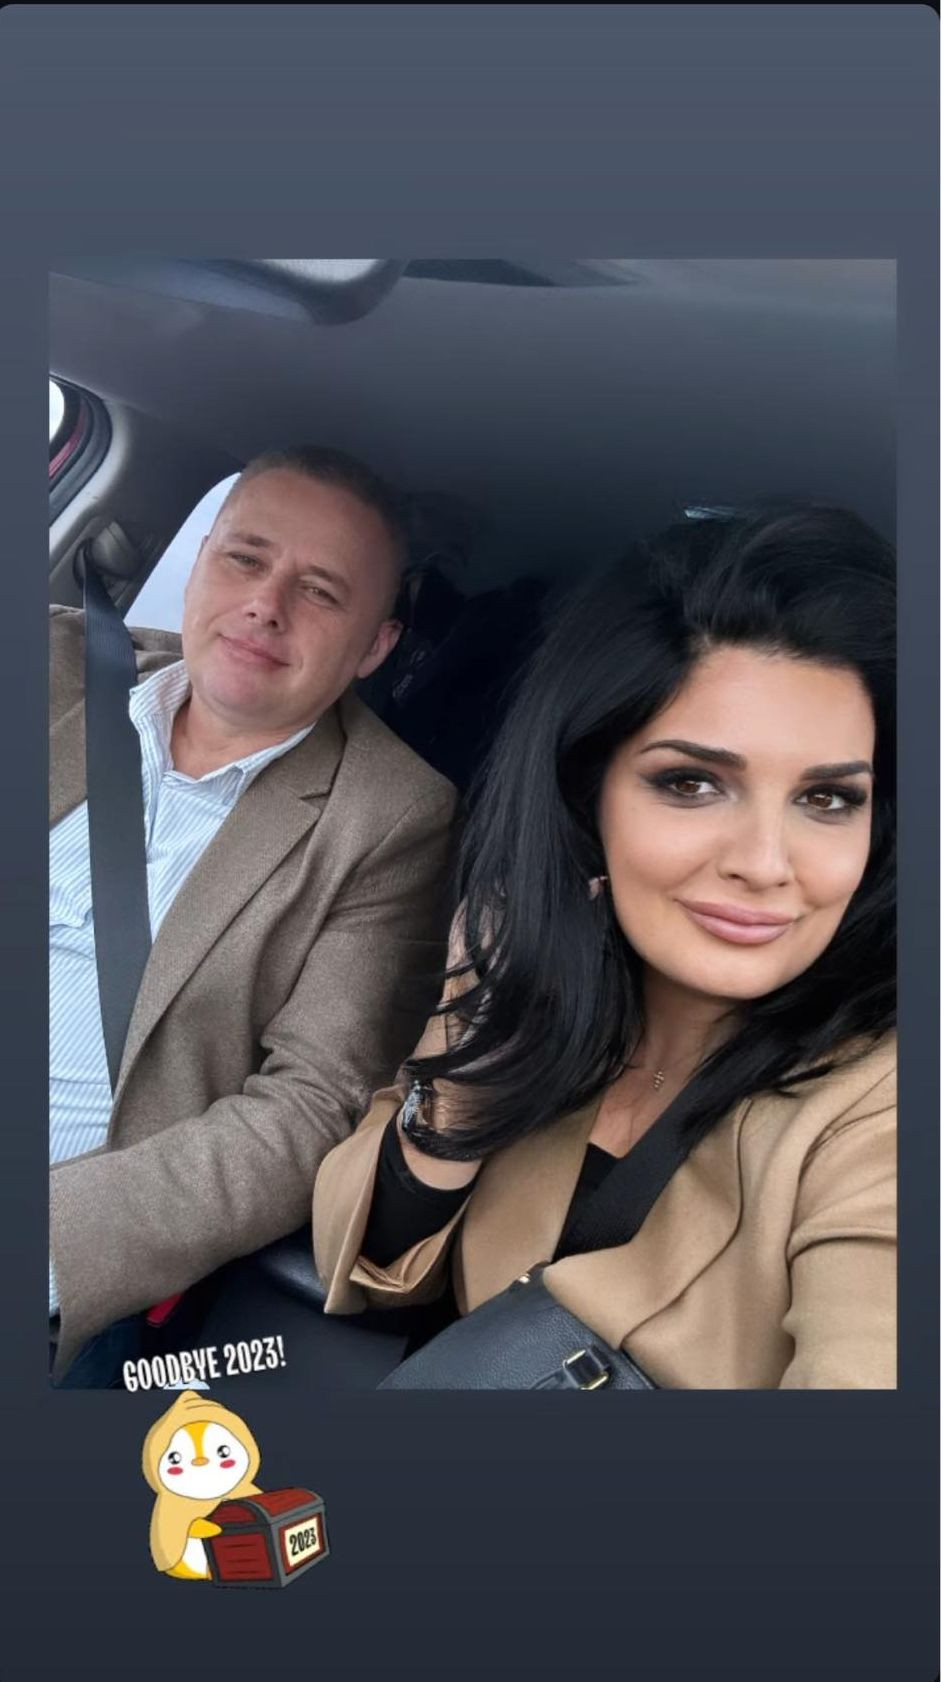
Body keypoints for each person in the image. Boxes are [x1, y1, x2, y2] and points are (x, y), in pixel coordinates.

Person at [313, 505, 897, 1389]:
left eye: (826, 800)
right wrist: (472, 1065)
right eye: (691, 783)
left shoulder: (880, 1104)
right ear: (586, 798)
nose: (765, 864)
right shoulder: (546, 988)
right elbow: (359, 1263)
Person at [50, 444, 458, 1385]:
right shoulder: (55, 664)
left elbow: (312, 1103)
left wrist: (51, 1245)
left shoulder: (390, 815)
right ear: (200, 566)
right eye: (244, 558)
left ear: (374, 648)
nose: (265, 605)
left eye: (319, 591)